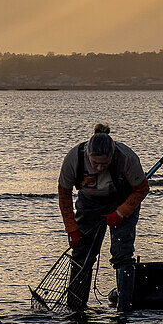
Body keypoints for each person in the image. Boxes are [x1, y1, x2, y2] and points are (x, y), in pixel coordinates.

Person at [58, 124, 149, 313]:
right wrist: (71, 228)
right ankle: (75, 309)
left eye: (104, 164)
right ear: (87, 155)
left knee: (122, 254)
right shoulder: (73, 158)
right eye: (94, 163)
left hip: (123, 199)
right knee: (81, 255)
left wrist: (121, 212)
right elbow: (64, 194)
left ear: (113, 155)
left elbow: (141, 189)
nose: (99, 168)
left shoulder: (127, 158)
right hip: (89, 203)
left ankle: (124, 309)